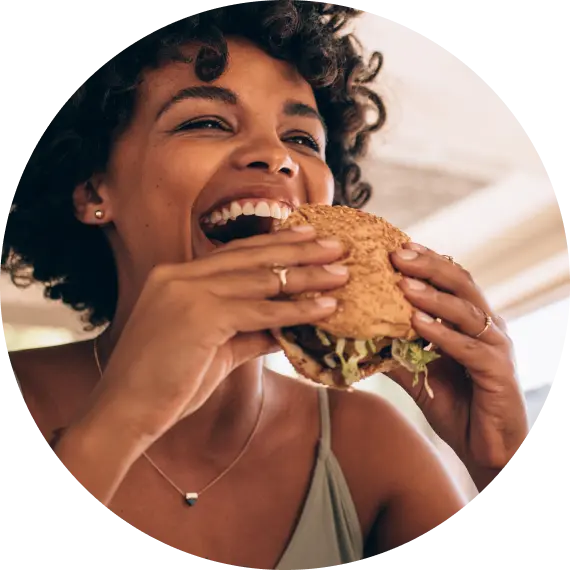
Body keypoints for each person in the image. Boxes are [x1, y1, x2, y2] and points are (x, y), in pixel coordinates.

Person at [2, 2, 528, 568]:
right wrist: (115, 424)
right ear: (92, 191)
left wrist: (497, 465)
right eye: (205, 122)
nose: (276, 156)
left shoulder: (370, 446)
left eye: (302, 138)